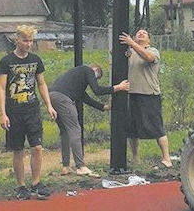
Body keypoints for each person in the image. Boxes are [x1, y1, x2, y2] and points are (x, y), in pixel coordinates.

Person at [0, 25, 57, 200]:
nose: (28, 44)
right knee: (18, 149)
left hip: (32, 109)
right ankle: (21, 185)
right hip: (14, 110)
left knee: (37, 147)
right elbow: (1, 88)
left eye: (31, 41)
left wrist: (49, 105)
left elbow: (41, 84)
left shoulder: (36, 60)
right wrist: (3, 113)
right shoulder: (6, 61)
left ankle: (36, 183)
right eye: (25, 40)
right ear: (17, 40)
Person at [49, 64, 129, 176]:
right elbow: (97, 90)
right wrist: (118, 88)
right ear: (96, 70)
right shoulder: (88, 70)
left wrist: (103, 107)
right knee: (75, 130)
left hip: (51, 96)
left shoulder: (75, 78)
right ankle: (80, 166)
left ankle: (66, 166)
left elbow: (84, 97)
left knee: (65, 131)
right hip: (63, 99)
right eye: (97, 77)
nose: (94, 79)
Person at [119, 29, 172, 168]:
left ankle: (166, 158)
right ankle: (135, 158)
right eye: (138, 33)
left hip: (149, 94)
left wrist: (132, 43)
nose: (141, 34)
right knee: (132, 129)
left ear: (149, 39)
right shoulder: (129, 53)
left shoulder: (153, 51)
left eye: (144, 33)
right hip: (132, 94)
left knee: (156, 127)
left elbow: (148, 58)